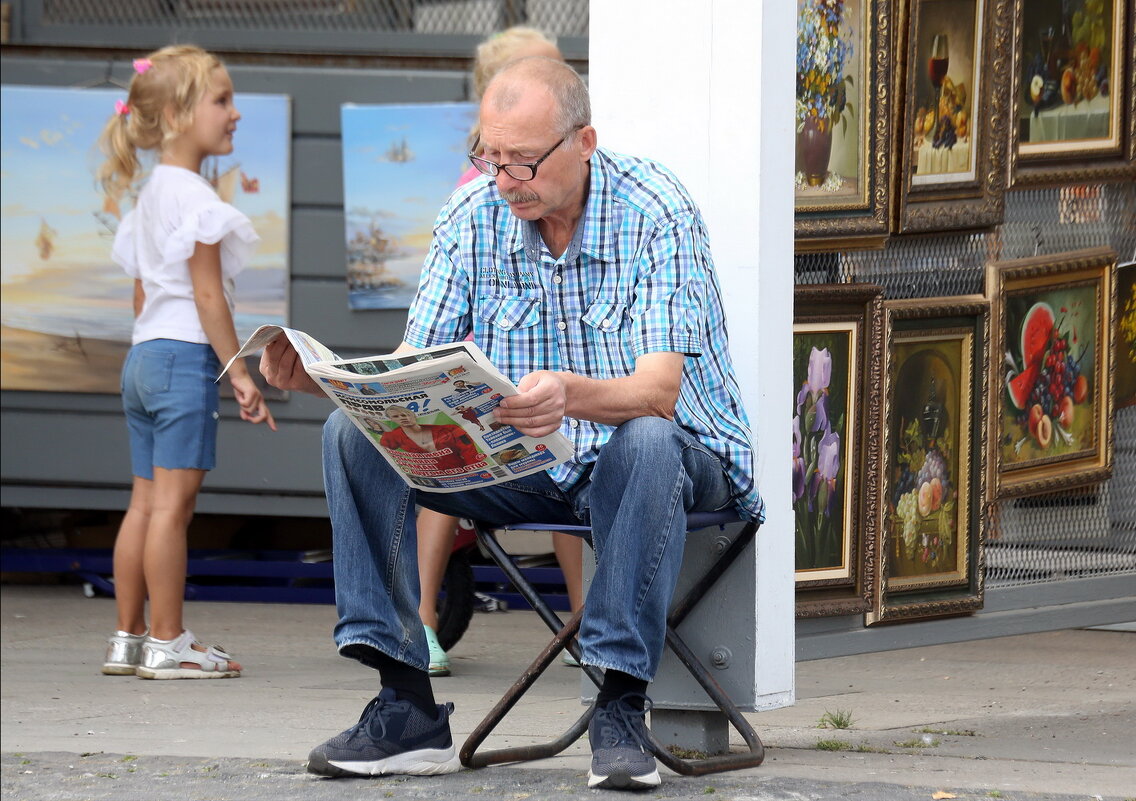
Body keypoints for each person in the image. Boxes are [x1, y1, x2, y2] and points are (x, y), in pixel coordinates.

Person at [260, 57, 763, 791]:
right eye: (490, 158)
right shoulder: (470, 215)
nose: (503, 180)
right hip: (528, 463)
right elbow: (408, 374)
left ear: (583, 142)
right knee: (350, 437)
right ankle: (405, 702)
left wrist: (569, 393)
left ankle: (620, 703)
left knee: (646, 441)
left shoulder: (657, 210)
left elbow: (659, 394)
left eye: (522, 162)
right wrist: (317, 380)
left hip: (667, 459)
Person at [97, 45, 275, 680]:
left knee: (144, 504)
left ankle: (129, 636)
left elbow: (143, 293)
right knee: (174, 509)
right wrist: (240, 373)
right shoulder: (196, 198)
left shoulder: (151, 195)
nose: (235, 114)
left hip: (144, 358)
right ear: (176, 114)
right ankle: (169, 642)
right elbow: (207, 296)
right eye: (222, 101)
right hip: (181, 362)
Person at [417, 24, 584, 679]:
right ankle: (421, 613)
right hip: (480, 371)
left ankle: (584, 617)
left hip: (544, 376)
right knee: (437, 467)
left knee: (574, 455)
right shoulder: (480, 190)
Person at [378, 405, 483, 471]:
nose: (402, 418)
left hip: (462, 471)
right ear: (391, 420)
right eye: (396, 416)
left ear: (414, 415)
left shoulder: (449, 429)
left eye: (406, 414)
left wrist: (473, 468)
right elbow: (381, 453)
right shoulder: (391, 436)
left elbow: (469, 450)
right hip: (429, 480)